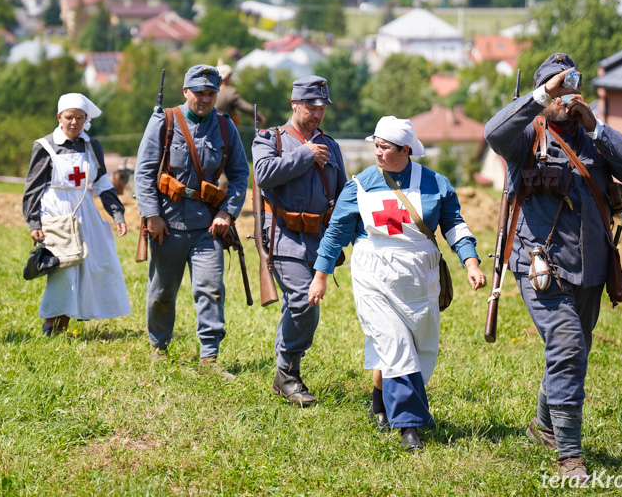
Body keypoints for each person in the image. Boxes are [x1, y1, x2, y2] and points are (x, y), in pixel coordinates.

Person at [484, 53, 622, 481]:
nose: (566, 97)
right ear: (543, 94)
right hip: (540, 266)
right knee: (569, 345)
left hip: (591, 266)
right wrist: (541, 98)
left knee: (571, 350)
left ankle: (543, 424)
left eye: (570, 87)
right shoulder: (525, 136)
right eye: (557, 90)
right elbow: (492, 132)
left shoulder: (595, 138)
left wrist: (597, 127)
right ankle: (569, 455)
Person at [308, 116, 485, 450]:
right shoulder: (359, 185)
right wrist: (321, 277)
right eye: (374, 145)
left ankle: (379, 401)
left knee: (418, 349)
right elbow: (336, 234)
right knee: (396, 344)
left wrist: (471, 263)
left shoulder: (436, 184)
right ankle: (410, 427)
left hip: (419, 278)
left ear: (405, 149)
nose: (377, 152)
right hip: (372, 274)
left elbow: (455, 227)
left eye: (384, 147)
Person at [135, 65, 250, 378]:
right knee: (161, 293)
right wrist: (151, 215)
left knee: (211, 288)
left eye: (211, 93)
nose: (205, 98)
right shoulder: (165, 120)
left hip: (207, 226)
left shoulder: (226, 127)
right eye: (199, 92)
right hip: (167, 224)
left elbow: (240, 174)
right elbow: (144, 172)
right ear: (186, 91)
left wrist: (228, 212)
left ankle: (209, 358)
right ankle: (159, 348)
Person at [252, 75, 347, 406]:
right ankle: (288, 374)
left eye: (322, 108)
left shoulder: (331, 145)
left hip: (318, 239)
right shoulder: (270, 139)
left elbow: (341, 194)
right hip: (282, 235)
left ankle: (284, 373)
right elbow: (263, 174)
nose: (317, 114)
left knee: (296, 304)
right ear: (295, 104)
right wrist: (306, 154)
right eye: (311, 107)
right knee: (304, 303)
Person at [23, 93, 132, 336]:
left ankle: (72, 317)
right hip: (57, 212)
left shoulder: (92, 146)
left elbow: (102, 182)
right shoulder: (45, 146)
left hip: (85, 211)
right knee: (64, 268)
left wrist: (117, 214)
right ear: (59, 117)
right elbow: (33, 187)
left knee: (95, 266)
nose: (74, 122)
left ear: (85, 119)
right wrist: (34, 221)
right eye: (69, 117)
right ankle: (51, 325)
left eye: (79, 117)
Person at [215, 60, 265, 127]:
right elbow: (248, 108)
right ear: (226, 77)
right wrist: (260, 118)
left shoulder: (209, 92)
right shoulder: (230, 93)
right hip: (223, 130)